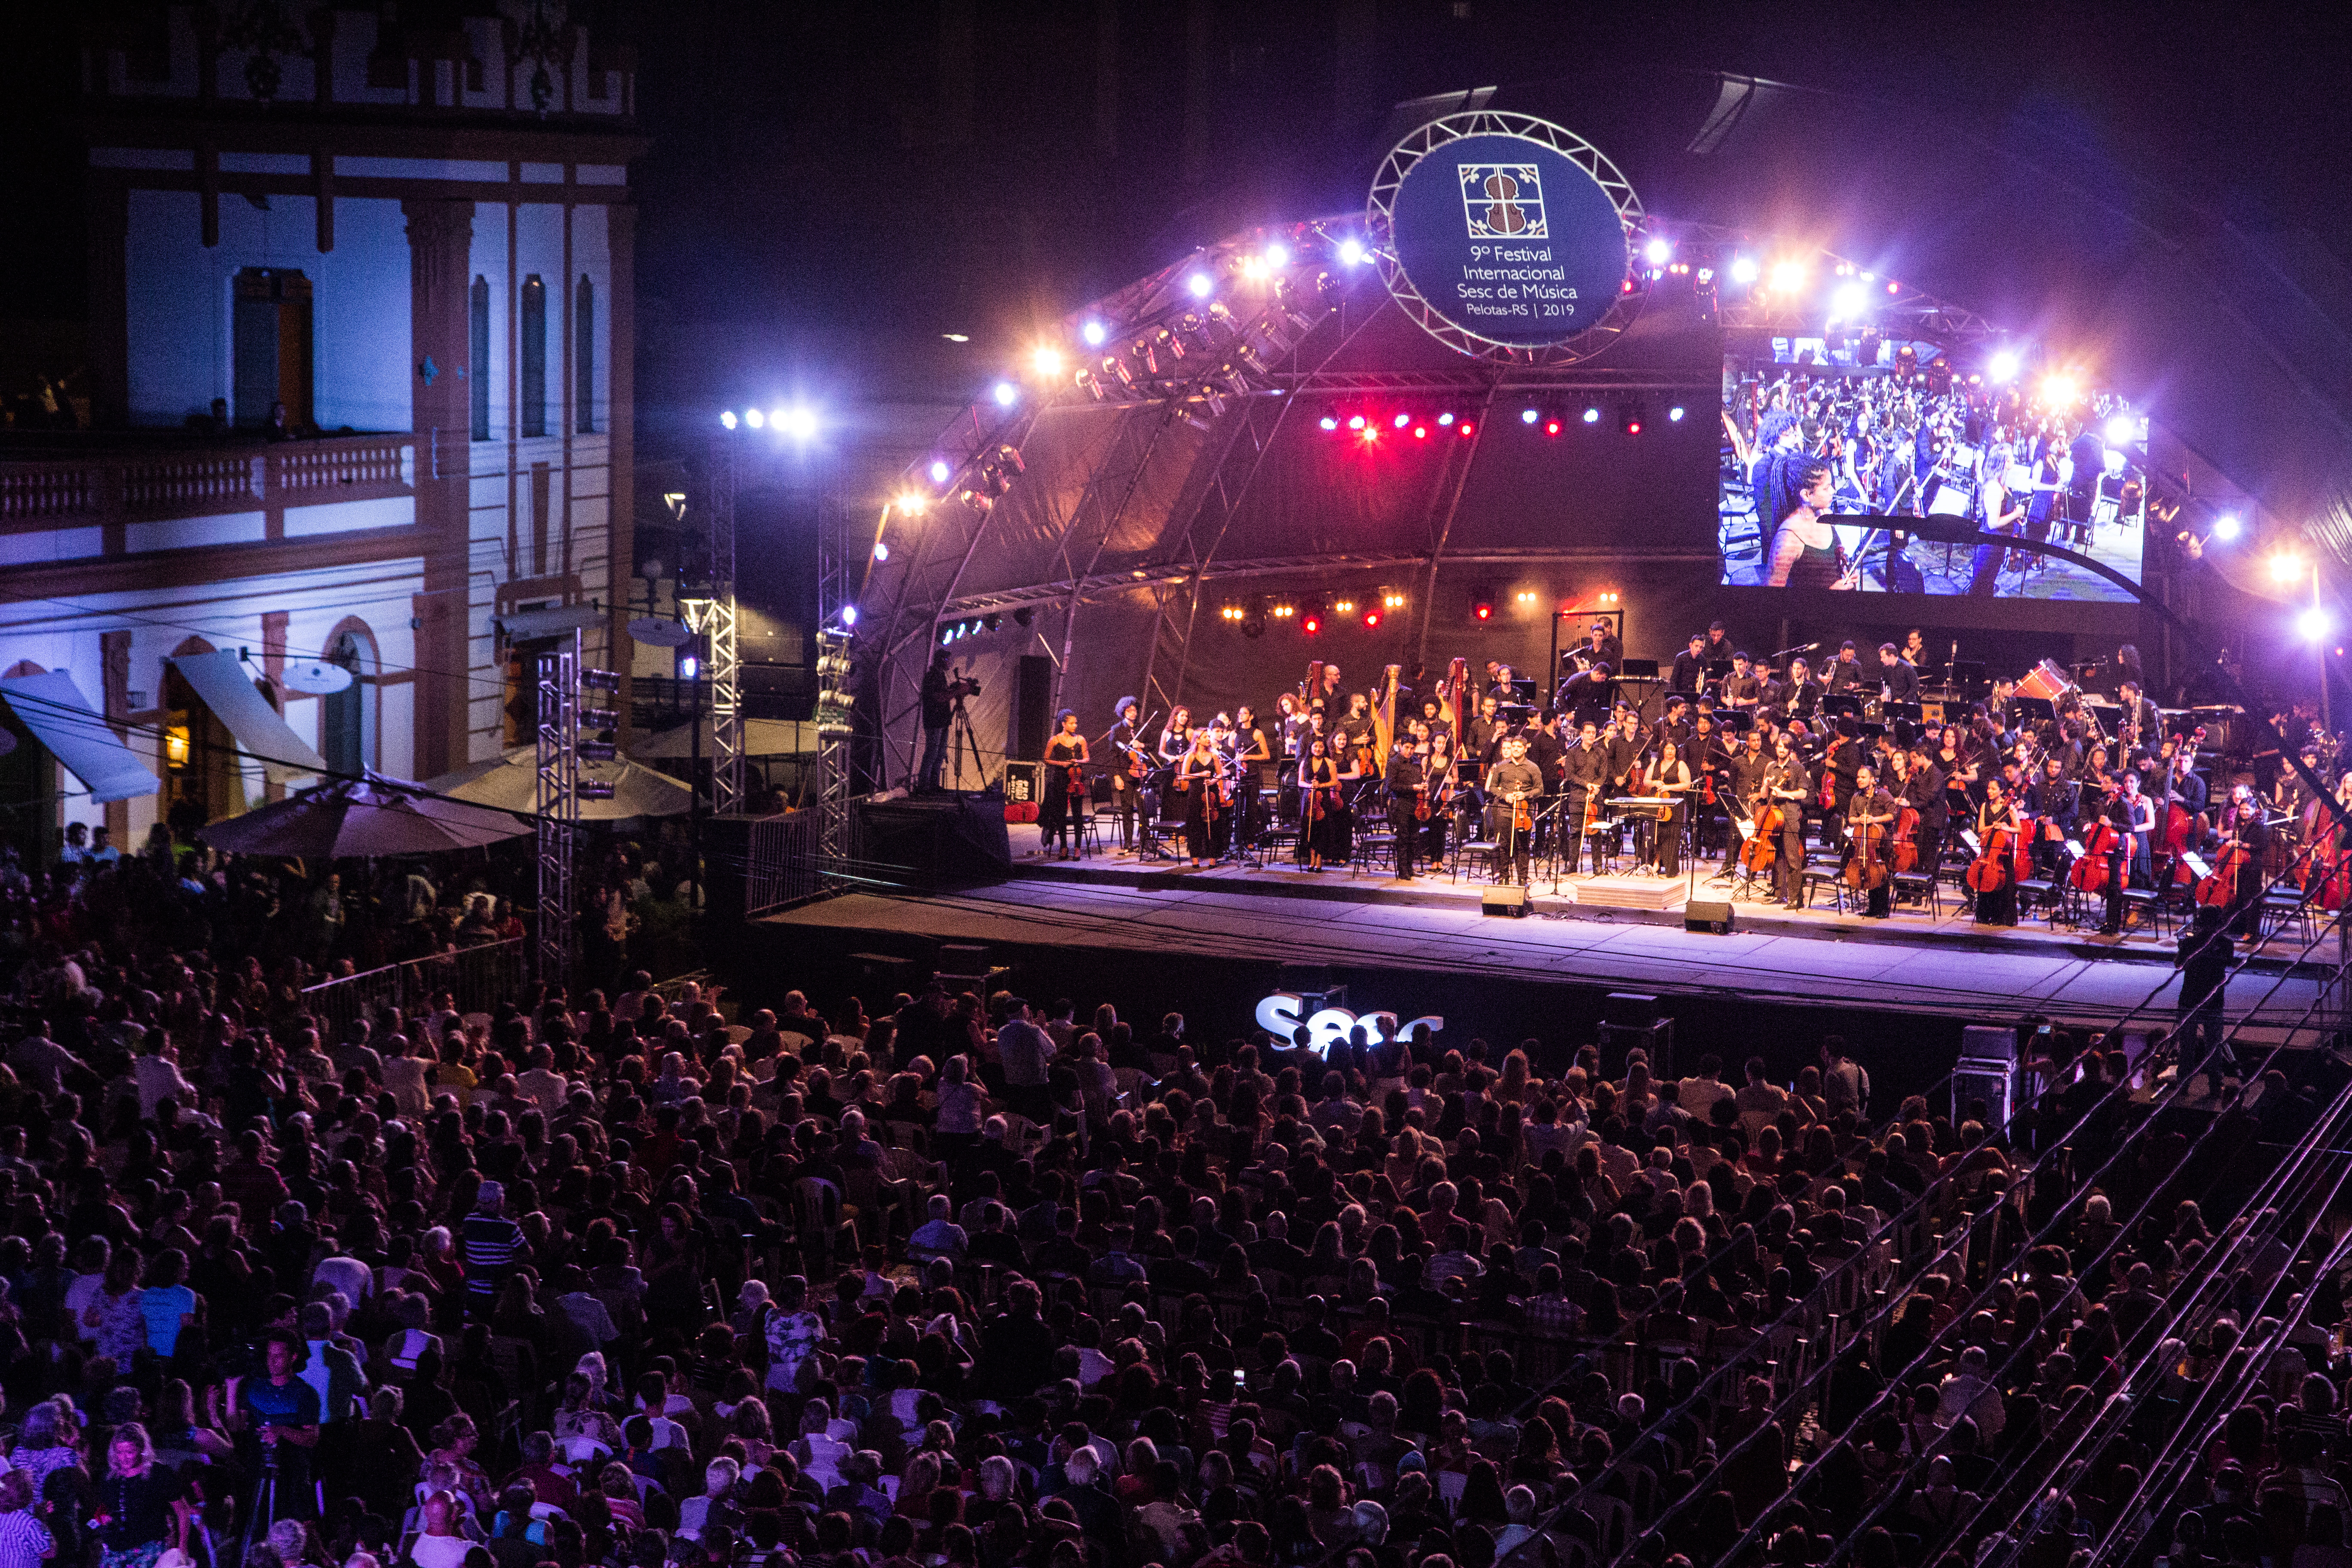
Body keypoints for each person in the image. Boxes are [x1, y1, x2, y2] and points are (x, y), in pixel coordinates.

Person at [228, 1328, 322, 1523]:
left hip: (290, 1475)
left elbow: (311, 1438)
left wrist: (281, 1431)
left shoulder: (305, 1394)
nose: (272, 1361)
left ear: (293, 1357)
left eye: (279, 1356)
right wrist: (232, 1391)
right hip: (256, 1469)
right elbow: (237, 1427)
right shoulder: (255, 1387)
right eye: (270, 1355)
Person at [95, 1422, 188, 1568]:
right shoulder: (110, 1477)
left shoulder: (159, 1474)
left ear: (142, 1449)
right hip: (116, 1549)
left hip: (149, 1548)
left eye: (130, 1452)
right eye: (119, 1453)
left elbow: (182, 1511)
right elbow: (105, 1509)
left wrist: (182, 1548)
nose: (124, 1458)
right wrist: (105, 1520)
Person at [2176, 906, 2234, 1078]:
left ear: (2199, 922)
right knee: (2214, 1048)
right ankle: (2215, 1087)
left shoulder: (2189, 943)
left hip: (2190, 999)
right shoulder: (2226, 944)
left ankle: (2183, 1085)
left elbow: (2179, 965)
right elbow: (2228, 964)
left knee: (2186, 1049)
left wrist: (2184, 950)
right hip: (2214, 1001)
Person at [1482, 735, 1544, 886]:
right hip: (1504, 810)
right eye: (1513, 747)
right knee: (1504, 844)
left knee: (1522, 845)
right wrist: (1505, 795)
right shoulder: (1501, 767)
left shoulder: (1533, 768)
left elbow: (1540, 790)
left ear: (1525, 749)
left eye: (1519, 747)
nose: (1515, 749)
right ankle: (1504, 877)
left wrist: (1526, 794)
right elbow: (1491, 787)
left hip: (1524, 813)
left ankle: (1522, 878)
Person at [1843, 764, 1898, 919]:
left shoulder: (1884, 795)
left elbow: (1892, 815)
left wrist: (1875, 820)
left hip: (1882, 841)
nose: (1859, 780)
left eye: (1863, 777)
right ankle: (1872, 908)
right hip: (1864, 843)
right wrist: (1859, 820)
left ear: (1873, 780)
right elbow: (1851, 818)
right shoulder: (1857, 796)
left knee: (1882, 874)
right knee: (1869, 872)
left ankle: (1883, 909)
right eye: (1858, 777)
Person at [1040, 710, 1089, 861]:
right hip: (1060, 779)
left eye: (1076, 723)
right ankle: (1063, 846)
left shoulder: (1081, 740)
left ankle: (1078, 848)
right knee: (1061, 815)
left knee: (1077, 815)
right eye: (1072, 723)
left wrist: (1078, 762)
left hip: (1076, 779)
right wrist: (1061, 763)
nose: (1075, 725)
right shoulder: (1054, 740)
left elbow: (1087, 758)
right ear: (1064, 724)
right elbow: (1046, 759)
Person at [1385, 735, 1427, 881]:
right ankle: (1403, 870)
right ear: (1401, 746)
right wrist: (1412, 788)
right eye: (1407, 748)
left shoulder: (1416, 762)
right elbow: (1391, 785)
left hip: (1416, 804)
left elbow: (1419, 780)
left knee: (1414, 838)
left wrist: (1422, 786)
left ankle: (1410, 868)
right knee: (1403, 837)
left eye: (1412, 748)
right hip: (1401, 804)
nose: (1409, 751)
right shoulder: (1393, 763)